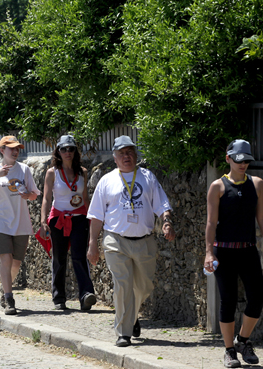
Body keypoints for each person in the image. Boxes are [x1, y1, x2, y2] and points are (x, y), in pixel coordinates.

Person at [87, 135, 175, 347]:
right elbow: (97, 216)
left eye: (130, 153)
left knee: (144, 287)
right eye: (122, 154)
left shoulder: (147, 177)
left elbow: (162, 205)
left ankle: (132, 316)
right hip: (115, 240)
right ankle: (123, 333)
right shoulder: (106, 181)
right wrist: (92, 243)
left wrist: (167, 222)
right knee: (122, 285)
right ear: (115, 158)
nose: (127, 157)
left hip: (144, 240)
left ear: (136, 155)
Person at [204, 139, 263, 368]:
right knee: (228, 300)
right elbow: (211, 223)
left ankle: (242, 340)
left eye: (246, 161)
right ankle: (229, 350)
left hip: (248, 250)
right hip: (223, 251)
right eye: (238, 160)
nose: (243, 164)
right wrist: (208, 253)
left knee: (257, 298)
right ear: (228, 159)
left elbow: (262, 217)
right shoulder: (218, 187)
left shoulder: (257, 184)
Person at [0, 135, 40, 315]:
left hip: (20, 222)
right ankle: (8, 297)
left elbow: (35, 194)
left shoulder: (24, 170)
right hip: (1, 221)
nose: (15, 151)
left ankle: (4, 288)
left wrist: (29, 196)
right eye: (11, 148)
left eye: (17, 148)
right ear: (1, 150)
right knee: (5, 260)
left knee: (16, 263)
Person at [40, 135, 96, 311]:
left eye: (71, 149)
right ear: (58, 151)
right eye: (64, 149)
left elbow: (85, 197)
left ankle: (86, 295)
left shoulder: (83, 172)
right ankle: (59, 298)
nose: (68, 152)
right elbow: (46, 199)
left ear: (75, 151)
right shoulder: (52, 173)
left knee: (80, 256)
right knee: (59, 257)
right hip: (59, 219)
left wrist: (92, 219)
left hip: (79, 218)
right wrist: (43, 221)